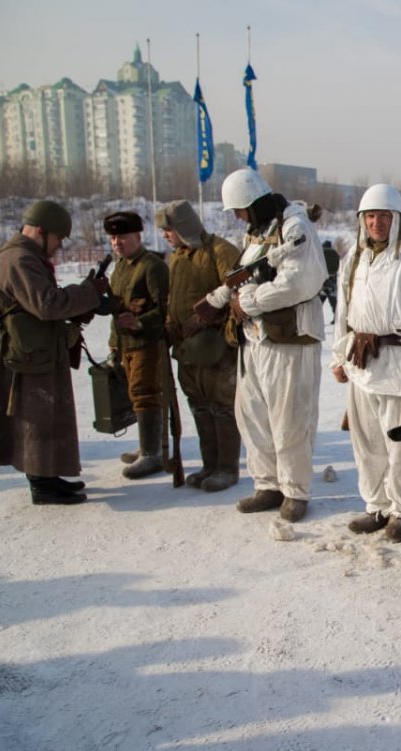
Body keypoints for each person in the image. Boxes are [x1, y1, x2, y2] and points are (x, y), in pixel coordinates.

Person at [197, 168, 327, 522]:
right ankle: (267, 484)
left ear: (253, 203)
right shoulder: (259, 232)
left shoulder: (295, 228)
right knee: (252, 415)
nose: (237, 217)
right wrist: (221, 299)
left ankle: (295, 491)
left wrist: (248, 302)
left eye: (239, 210)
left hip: (290, 341)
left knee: (290, 419)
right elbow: (241, 275)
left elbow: (298, 284)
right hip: (254, 340)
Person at [331, 184, 401, 542]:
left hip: (400, 363)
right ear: (361, 220)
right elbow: (343, 311)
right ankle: (377, 505)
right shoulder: (354, 257)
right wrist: (339, 355)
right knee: (367, 443)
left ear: (397, 219)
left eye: (384, 216)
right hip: (362, 361)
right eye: (370, 216)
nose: (377, 223)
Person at [0, 200, 109, 504]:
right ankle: (41, 485)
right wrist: (89, 293)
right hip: (27, 358)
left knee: (45, 417)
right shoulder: (20, 260)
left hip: (34, 352)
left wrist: (83, 295)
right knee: (35, 419)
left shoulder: (24, 257)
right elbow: (48, 304)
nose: (58, 247)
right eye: (57, 239)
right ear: (40, 231)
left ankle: (48, 477)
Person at [156, 200, 243, 492]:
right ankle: (210, 465)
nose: (165, 235)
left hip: (216, 350)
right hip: (186, 351)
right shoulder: (177, 258)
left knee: (222, 407)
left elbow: (238, 292)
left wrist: (211, 320)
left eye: (169, 229)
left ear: (183, 227)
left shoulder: (221, 251)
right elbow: (173, 298)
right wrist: (170, 323)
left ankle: (227, 469)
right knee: (200, 408)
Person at [105, 211, 170, 481]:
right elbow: (116, 309)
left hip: (147, 343)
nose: (117, 243)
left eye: (123, 237)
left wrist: (141, 322)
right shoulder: (120, 267)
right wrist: (113, 343)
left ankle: (152, 454)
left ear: (137, 236)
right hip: (125, 344)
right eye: (113, 238)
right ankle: (149, 445)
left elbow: (166, 309)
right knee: (135, 395)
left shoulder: (151, 266)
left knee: (146, 393)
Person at [321, 241, 340, 323]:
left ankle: (314, 319)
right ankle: (336, 319)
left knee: (318, 304)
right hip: (332, 285)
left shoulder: (320, 255)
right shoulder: (335, 255)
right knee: (334, 304)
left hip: (323, 284)